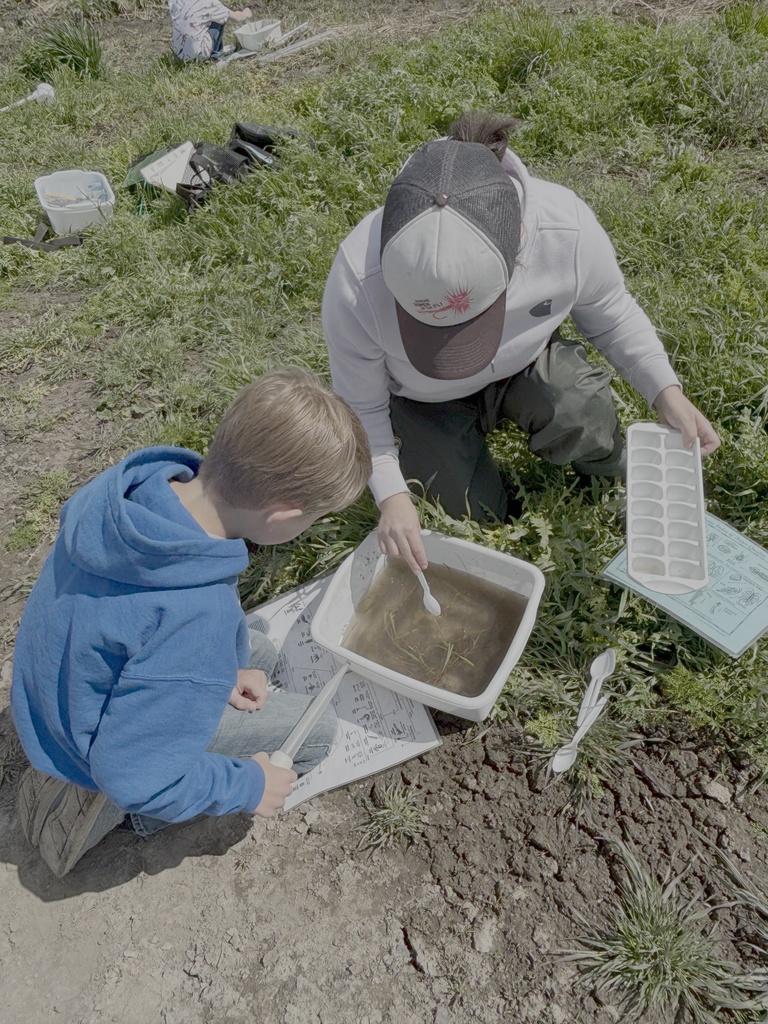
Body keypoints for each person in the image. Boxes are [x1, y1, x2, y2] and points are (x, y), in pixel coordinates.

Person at [322, 111, 720, 574]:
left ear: (520, 241)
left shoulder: (563, 228)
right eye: (437, 330)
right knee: (465, 510)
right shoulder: (356, 279)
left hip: (525, 362)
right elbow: (361, 405)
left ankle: (607, 476)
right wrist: (391, 497)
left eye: (474, 323)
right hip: (421, 397)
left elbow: (610, 313)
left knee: (581, 411)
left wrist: (665, 392)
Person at [11, 368, 372, 878]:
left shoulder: (129, 495)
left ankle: (190, 718)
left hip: (55, 699)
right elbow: (132, 774)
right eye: (313, 517)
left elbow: (131, 627)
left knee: (256, 648)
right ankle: (123, 816)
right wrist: (248, 785)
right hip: (92, 755)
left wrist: (218, 673)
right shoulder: (198, 618)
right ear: (281, 516)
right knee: (317, 729)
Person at [167, 0, 252, 62]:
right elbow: (238, 17)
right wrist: (246, 12)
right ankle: (214, 57)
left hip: (179, 54)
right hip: (197, 55)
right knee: (219, 20)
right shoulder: (210, 3)